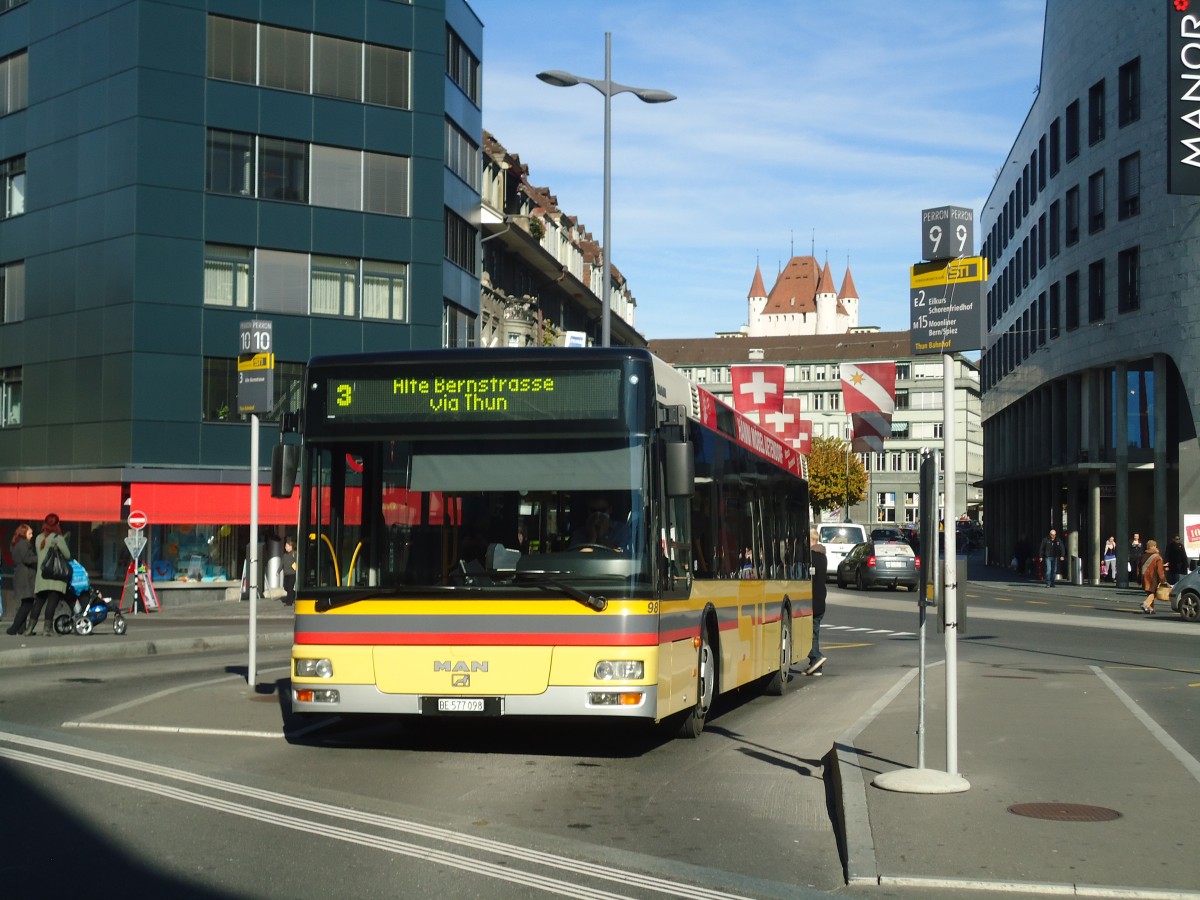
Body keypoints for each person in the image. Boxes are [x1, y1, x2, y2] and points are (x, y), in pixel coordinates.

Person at [29, 513, 71, 636]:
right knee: (52, 602)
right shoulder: (57, 538)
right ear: (57, 524)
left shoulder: (38, 538)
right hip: (55, 576)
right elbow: (67, 555)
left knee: (39, 602)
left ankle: (29, 628)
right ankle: (47, 629)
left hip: (42, 576)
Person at [5, 524, 38, 635]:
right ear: (24, 534)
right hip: (25, 577)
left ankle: (21, 628)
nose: (32, 535)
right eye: (30, 533)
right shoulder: (24, 544)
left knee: (25, 602)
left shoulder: (17, 544)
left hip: (22, 575)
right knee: (28, 603)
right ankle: (14, 628)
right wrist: (40, 558)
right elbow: (27, 559)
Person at [804, 529, 828, 676]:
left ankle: (816, 656)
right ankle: (815, 666)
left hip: (812, 601)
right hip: (820, 601)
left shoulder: (811, 557)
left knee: (809, 633)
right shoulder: (822, 556)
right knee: (814, 632)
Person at [1139, 539, 1166, 614]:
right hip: (1153, 578)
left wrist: (1138, 578)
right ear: (1154, 546)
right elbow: (1160, 570)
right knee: (1154, 593)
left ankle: (1151, 609)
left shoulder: (1143, 556)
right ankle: (1145, 604)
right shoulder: (1157, 557)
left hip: (1144, 576)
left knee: (1149, 593)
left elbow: (1139, 567)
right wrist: (1163, 580)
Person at [281, 536, 297, 605]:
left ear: (291, 547)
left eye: (286, 546)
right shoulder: (285, 555)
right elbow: (282, 563)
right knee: (286, 587)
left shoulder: (294, 554)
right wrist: (278, 571)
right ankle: (294, 594)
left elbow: (297, 562)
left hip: (292, 573)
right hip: (286, 574)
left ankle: (289, 602)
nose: (285, 547)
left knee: (290, 588)